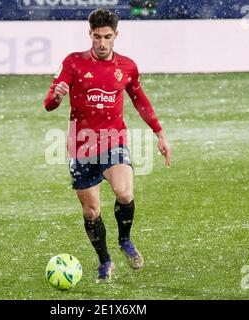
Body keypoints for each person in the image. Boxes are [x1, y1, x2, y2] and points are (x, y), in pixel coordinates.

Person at [43, 8, 170, 283]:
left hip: (114, 140)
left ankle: (125, 240)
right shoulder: (73, 63)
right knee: (92, 212)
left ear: (116, 35)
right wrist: (57, 97)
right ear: (90, 34)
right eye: (97, 36)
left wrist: (159, 132)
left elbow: (139, 99)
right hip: (81, 146)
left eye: (107, 37)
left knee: (124, 193)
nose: (102, 43)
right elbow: (48, 104)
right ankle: (105, 261)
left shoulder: (126, 67)